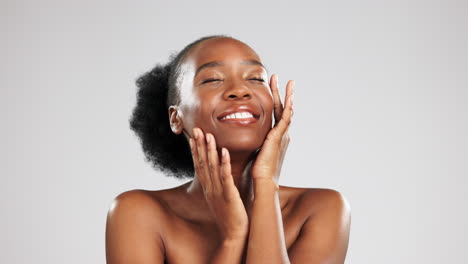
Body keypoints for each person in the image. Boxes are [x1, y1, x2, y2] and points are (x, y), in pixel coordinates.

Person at [105, 35, 351, 264]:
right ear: (175, 118)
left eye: (255, 78)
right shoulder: (138, 213)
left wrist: (265, 185)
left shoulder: (321, 208)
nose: (240, 90)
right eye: (213, 79)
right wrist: (233, 237)